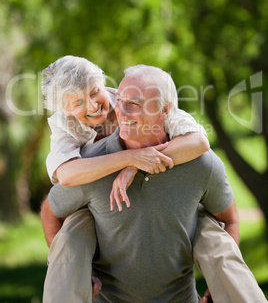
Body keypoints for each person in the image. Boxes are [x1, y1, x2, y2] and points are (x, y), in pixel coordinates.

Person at [42, 65, 267, 302]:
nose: (122, 112)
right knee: (75, 228)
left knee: (209, 229)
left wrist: (221, 284)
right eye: (121, 101)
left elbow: (229, 219)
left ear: (164, 111)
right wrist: (77, 273)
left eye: (135, 104)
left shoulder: (200, 163)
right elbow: (53, 204)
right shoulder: (88, 165)